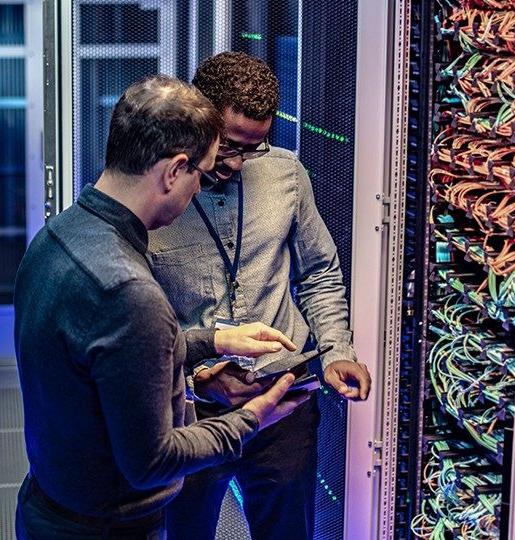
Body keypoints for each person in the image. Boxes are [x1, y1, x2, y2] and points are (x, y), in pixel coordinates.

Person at [13, 75, 309, 540]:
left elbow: (101, 355)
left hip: (48, 505)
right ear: (174, 171)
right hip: (109, 528)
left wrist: (209, 341)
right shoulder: (129, 291)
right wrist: (254, 418)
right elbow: (155, 461)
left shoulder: (57, 236)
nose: (200, 191)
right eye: (200, 173)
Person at [149, 53, 372, 540]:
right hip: (190, 413)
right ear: (196, 119)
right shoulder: (152, 190)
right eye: (229, 146)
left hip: (283, 400)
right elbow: (135, 317)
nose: (237, 163)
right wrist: (196, 375)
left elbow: (319, 271)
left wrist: (336, 351)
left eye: (255, 147)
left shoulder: (286, 175)